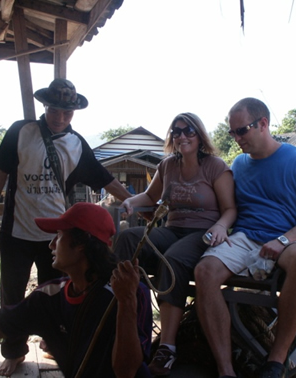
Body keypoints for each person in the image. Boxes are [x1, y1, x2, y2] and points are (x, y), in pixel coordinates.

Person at [0, 78, 132, 376]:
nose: (60, 118)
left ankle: (53, 344)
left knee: (58, 294)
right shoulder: (21, 132)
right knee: (12, 293)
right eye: (55, 110)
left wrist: (137, 202)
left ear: (73, 113)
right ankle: (14, 352)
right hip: (17, 231)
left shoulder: (76, 143)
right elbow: (0, 172)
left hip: (57, 236)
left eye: (67, 113)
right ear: (45, 106)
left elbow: (105, 179)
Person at [194, 98, 296, 378]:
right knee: (204, 270)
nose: (237, 138)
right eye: (232, 132)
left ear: (263, 124)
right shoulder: (239, 164)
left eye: (241, 131)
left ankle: (276, 361)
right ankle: (225, 368)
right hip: (246, 237)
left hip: (288, 239)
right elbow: (228, 206)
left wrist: (283, 240)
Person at [0, 203, 152, 377]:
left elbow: (126, 372)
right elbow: (4, 324)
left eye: (59, 236)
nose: (51, 245)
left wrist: (126, 303)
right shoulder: (50, 296)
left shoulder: (129, 293)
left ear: (80, 244)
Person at [114, 112, 236, 376]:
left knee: (172, 259)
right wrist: (129, 202)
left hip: (203, 233)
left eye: (188, 130)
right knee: (127, 238)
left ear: (199, 135)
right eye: (176, 131)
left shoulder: (215, 166)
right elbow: (150, 195)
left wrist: (220, 226)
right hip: (172, 228)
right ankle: (123, 318)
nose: (182, 136)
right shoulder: (168, 165)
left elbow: (230, 209)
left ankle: (167, 348)